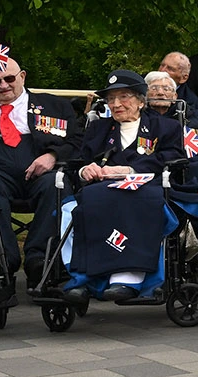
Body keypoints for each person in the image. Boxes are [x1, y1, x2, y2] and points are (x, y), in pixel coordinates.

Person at [59, 69, 185, 302]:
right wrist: (86, 170)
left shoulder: (165, 127)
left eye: (124, 97)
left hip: (145, 188)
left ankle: (128, 276)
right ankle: (86, 277)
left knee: (135, 202)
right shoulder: (98, 129)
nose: (116, 104)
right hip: (100, 190)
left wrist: (129, 170)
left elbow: (171, 157)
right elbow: (81, 160)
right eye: (111, 99)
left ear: (140, 101)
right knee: (83, 205)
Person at [0, 54, 79, 285]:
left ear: (22, 76)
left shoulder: (54, 105)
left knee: (56, 184)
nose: (4, 85)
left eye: (9, 78)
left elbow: (77, 142)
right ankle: (4, 258)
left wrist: (52, 156)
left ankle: (39, 259)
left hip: (42, 174)